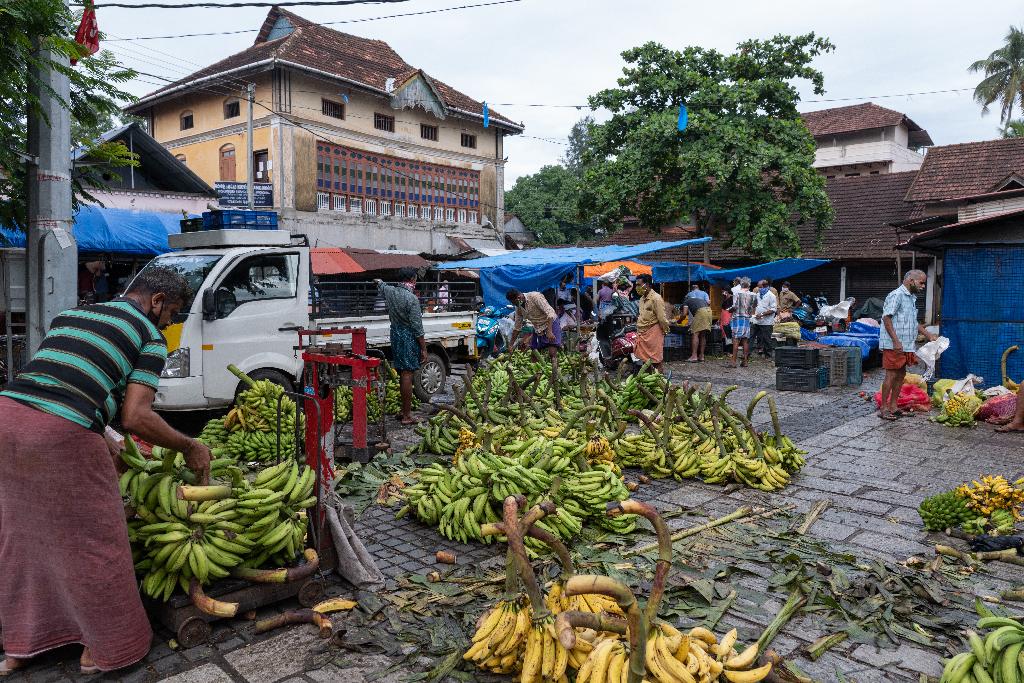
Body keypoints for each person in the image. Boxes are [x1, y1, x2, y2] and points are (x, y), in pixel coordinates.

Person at [0, 267, 213, 676]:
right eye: (172, 313)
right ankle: (105, 647)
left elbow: (68, 382)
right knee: (98, 539)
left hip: (8, 417)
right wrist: (189, 445)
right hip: (59, 432)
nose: (169, 323)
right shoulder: (149, 337)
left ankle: (20, 646)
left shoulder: (74, 315)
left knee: (21, 536)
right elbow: (136, 416)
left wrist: (106, 437)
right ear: (156, 302)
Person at [879, 269, 936, 421]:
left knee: (900, 375)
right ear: (911, 280)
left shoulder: (911, 298)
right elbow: (886, 318)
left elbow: (913, 322)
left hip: (906, 345)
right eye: (921, 282)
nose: (923, 286)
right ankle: (884, 408)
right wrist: (896, 341)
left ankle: (893, 406)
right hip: (894, 345)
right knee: (891, 375)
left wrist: (928, 334)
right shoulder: (896, 295)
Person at [376, 268, 427, 425]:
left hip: (395, 335)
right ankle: (406, 415)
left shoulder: (391, 291)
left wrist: (378, 281)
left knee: (401, 373)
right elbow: (417, 327)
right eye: (416, 278)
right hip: (408, 337)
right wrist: (424, 348)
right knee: (407, 374)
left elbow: (381, 285)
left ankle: (403, 410)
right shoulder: (411, 299)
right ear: (412, 279)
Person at [633, 274, 670, 371]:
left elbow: (662, 318)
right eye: (636, 285)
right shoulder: (641, 299)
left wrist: (665, 331)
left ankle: (659, 381)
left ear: (647, 284)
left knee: (656, 361)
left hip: (654, 332)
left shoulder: (656, 298)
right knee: (646, 361)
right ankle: (649, 381)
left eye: (639, 285)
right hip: (643, 333)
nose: (637, 287)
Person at [729, 278, 757, 367]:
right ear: (749, 285)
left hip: (737, 318)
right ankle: (745, 362)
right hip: (746, 319)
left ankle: (733, 362)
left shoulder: (737, 293)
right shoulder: (753, 294)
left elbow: (734, 307)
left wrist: (730, 310)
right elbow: (754, 306)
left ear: (741, 285)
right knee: (745, 341)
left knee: (736, 341)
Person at [682, 283, 712, 362]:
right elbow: (708, 303)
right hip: (708, 311)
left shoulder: (686, 300)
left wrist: (679, 321)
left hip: (701, 312)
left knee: (695, 333)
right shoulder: (701, 297)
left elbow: (684, 314)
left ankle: (694, 356)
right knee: (703, 335)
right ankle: (701, 356)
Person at [752, 279, 778, 359]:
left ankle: (768, 355)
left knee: (767, 339)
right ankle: (747, 354)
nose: (758, 288)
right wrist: (753, 312)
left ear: (765, 286)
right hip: (756, 320)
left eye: (760, 287)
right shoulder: (758, 294)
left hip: (767, 321)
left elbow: (774, 309)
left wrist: (762, 314)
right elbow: (755, 304)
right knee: (751, 336)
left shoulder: (771, 296)